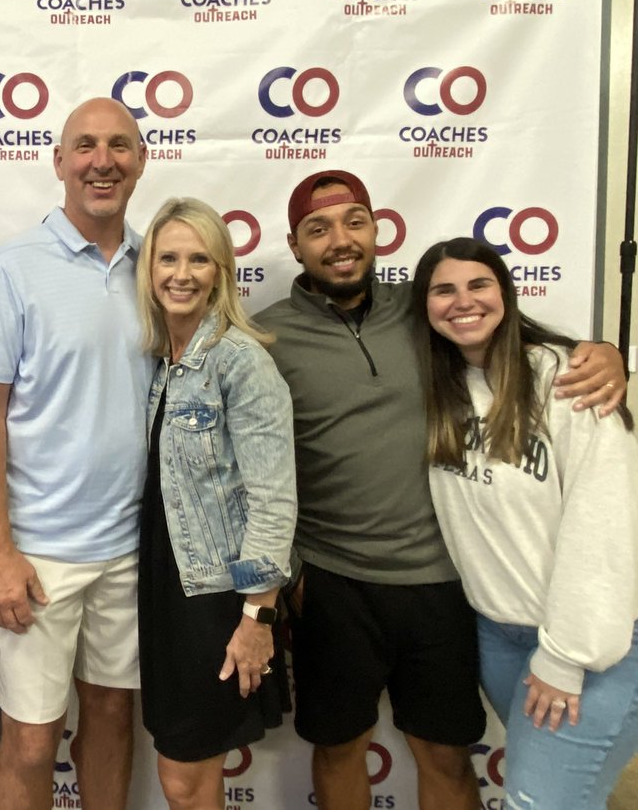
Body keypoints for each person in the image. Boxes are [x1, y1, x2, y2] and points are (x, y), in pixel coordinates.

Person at [253, 170, 626, 810]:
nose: (340, 240)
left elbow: (506, 337)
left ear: (376, 231)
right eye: (319, 229)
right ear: (295, 245)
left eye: (354, 222)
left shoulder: (423, 311)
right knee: (339, 747)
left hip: (445, 585)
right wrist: (287, 575)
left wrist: (606, 353)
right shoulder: (264, 335)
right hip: (334, 583)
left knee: (446, 755)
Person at [0, 96, 149, 810]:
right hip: (38, 552)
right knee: (31, 742)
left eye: (120, 146)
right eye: (86, 146)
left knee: (109, 715)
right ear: (60, 162)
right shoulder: (14, 268)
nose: (103, 160)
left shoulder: (158, 267)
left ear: (140, 161)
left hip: (132, 549)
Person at [413, 236, 638, 810]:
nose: (463, 301)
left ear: (506, 294)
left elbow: (606, 528)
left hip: (593, 649)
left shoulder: (566, 379)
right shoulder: (444, 388)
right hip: (500, 635)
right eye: (444, 290)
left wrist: (566, 656)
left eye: (478, 284)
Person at [135, 198, 296, 810]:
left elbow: (274, 498)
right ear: (149, 270)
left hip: (215, 601)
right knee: (186, 773)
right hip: (165, 591)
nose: (182, 272)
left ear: (221, 272)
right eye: (168, 257)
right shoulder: (163, 362)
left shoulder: (240, 361)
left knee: (183, 775)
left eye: (199, 258)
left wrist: (258, 618)